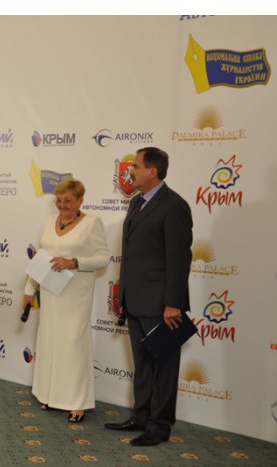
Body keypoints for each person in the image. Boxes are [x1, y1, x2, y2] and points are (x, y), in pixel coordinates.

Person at [104, 147, 193, 446]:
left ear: (152, 171)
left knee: (163, 366)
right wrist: (123, 294)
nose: (131, 171)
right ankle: (141, 417)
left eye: (137, 166)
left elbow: (179, 258)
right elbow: (131, 253)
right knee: (142, 364)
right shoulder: (136, 202)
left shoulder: (174, 205)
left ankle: (160, 426)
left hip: (161, 304)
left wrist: (173, 303)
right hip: (135, 299)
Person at [23, 179, 109, 423]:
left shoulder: (92, 223)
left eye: (68, 201)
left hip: (76, 295)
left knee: (73, 346)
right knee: (50, 343)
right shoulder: (50, 221)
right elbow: (41, 258)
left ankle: (77, 403)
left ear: (80, 200)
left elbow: (103, 258)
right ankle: (49, 395)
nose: (62, 205)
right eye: (58, 201)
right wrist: (29, 288)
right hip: (50, 292)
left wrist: (74, 262)